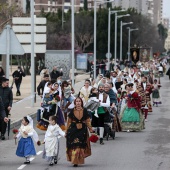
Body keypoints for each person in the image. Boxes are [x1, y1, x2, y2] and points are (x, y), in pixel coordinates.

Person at [66, 97, 93, 167]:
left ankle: (78, 160)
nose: (78, 103)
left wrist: (90, 128)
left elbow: (88, 120)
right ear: (75, 103)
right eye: (77, 101)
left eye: (79, 101)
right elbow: (69, 122)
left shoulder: (85, 111)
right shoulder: (71, 111)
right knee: (75, 145)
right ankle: (75, 161)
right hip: (73, 130)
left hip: (82, 130)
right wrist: (66, 131)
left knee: (80, 145)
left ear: (81, 103)